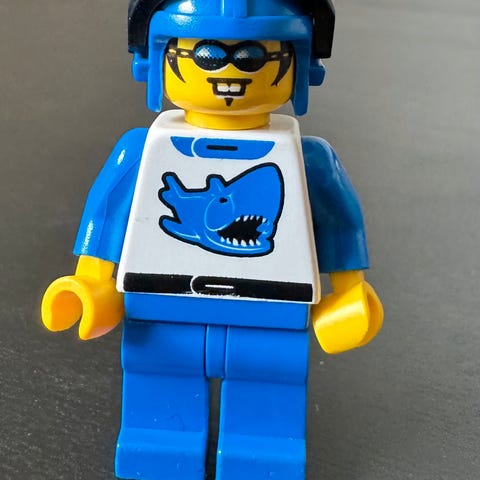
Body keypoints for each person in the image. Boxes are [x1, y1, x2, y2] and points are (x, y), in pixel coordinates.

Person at [42, 1, 383, 479]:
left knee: (268, 391)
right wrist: (92, 283)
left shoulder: (310, 160)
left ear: (299, 63)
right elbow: (108, 215)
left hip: (272, 307)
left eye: (251, 57)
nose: (229, 73)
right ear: (157, 59)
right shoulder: (141, 151)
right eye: (206, 55)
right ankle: (160, 447)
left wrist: (348, 293)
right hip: (161, 306)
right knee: (159, 387)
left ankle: (261, 456)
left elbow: (340, 222)